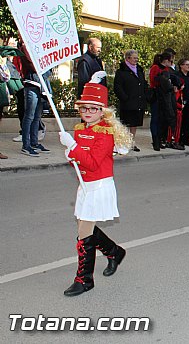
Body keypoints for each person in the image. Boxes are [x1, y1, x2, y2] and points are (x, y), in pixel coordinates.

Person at [58, 82, 133, 296]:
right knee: (85, 227)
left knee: (83, 232)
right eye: (84, 108)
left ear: (102, 111)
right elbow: (81, 161)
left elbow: (91, 162)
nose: (87, 112)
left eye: (93, 108)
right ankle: (114, 252)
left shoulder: (106, 133)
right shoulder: (80, 129)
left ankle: (85, 280)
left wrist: (72, 148)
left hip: (99, 186)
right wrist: (71, 155)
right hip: (85, 185)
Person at [113, 49, 147, 152]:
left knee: (134, 123)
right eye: (134, 58)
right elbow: (117, 87)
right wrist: (125, 98)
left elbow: (143, 84)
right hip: (127, 102)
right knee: (126, 124)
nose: (136, 60)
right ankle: (123, 142)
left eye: (137, 58)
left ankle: (131, 142)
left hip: (138, 102)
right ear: (128, 58)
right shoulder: (121, 72)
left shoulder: (140, 70)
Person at [20, 49, 51, 157]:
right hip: (32, 85)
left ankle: (34, 143)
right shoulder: (24, 49)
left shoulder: (39, 48)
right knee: (29, 116)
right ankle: (26, 145)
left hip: (41, 85)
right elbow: (32, 66)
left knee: (37, 117)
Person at [177, 58, 189, 147]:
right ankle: (179, 139)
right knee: (181, 121)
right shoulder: (177, 75)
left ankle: (186, 138)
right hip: (180, 101)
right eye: (186, 64)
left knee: (188, 121)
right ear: (181, 66)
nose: (188, 66)